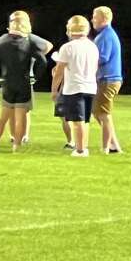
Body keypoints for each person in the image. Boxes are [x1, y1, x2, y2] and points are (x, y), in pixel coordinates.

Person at [0, 12, 47, 152]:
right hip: (23, 83)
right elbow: (42, 61)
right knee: (20, 117)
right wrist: (35, 77)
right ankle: (16, 145)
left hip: (7, 84)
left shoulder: (3, 44)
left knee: (2, 118)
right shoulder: (29, 44)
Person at [50, 15, 99, 157]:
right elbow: (95, 68)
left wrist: (54, 89)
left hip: (74, 88)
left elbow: (59, 71)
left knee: (77, 121)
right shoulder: (92, 46)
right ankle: (84, 146)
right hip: (90, 86)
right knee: (85, 120)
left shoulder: (68, 47)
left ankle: (80, 150)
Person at [91, 5, 124, 154]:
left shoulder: (106, 35)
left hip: (108, 79)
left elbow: (102, 58)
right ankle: (113, 144)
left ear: (103, 19)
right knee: (97, 112)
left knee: (103, 113)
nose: (92, 20)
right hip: (106, 79)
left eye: (95, 17)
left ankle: (109, 147)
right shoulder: (106, 35)